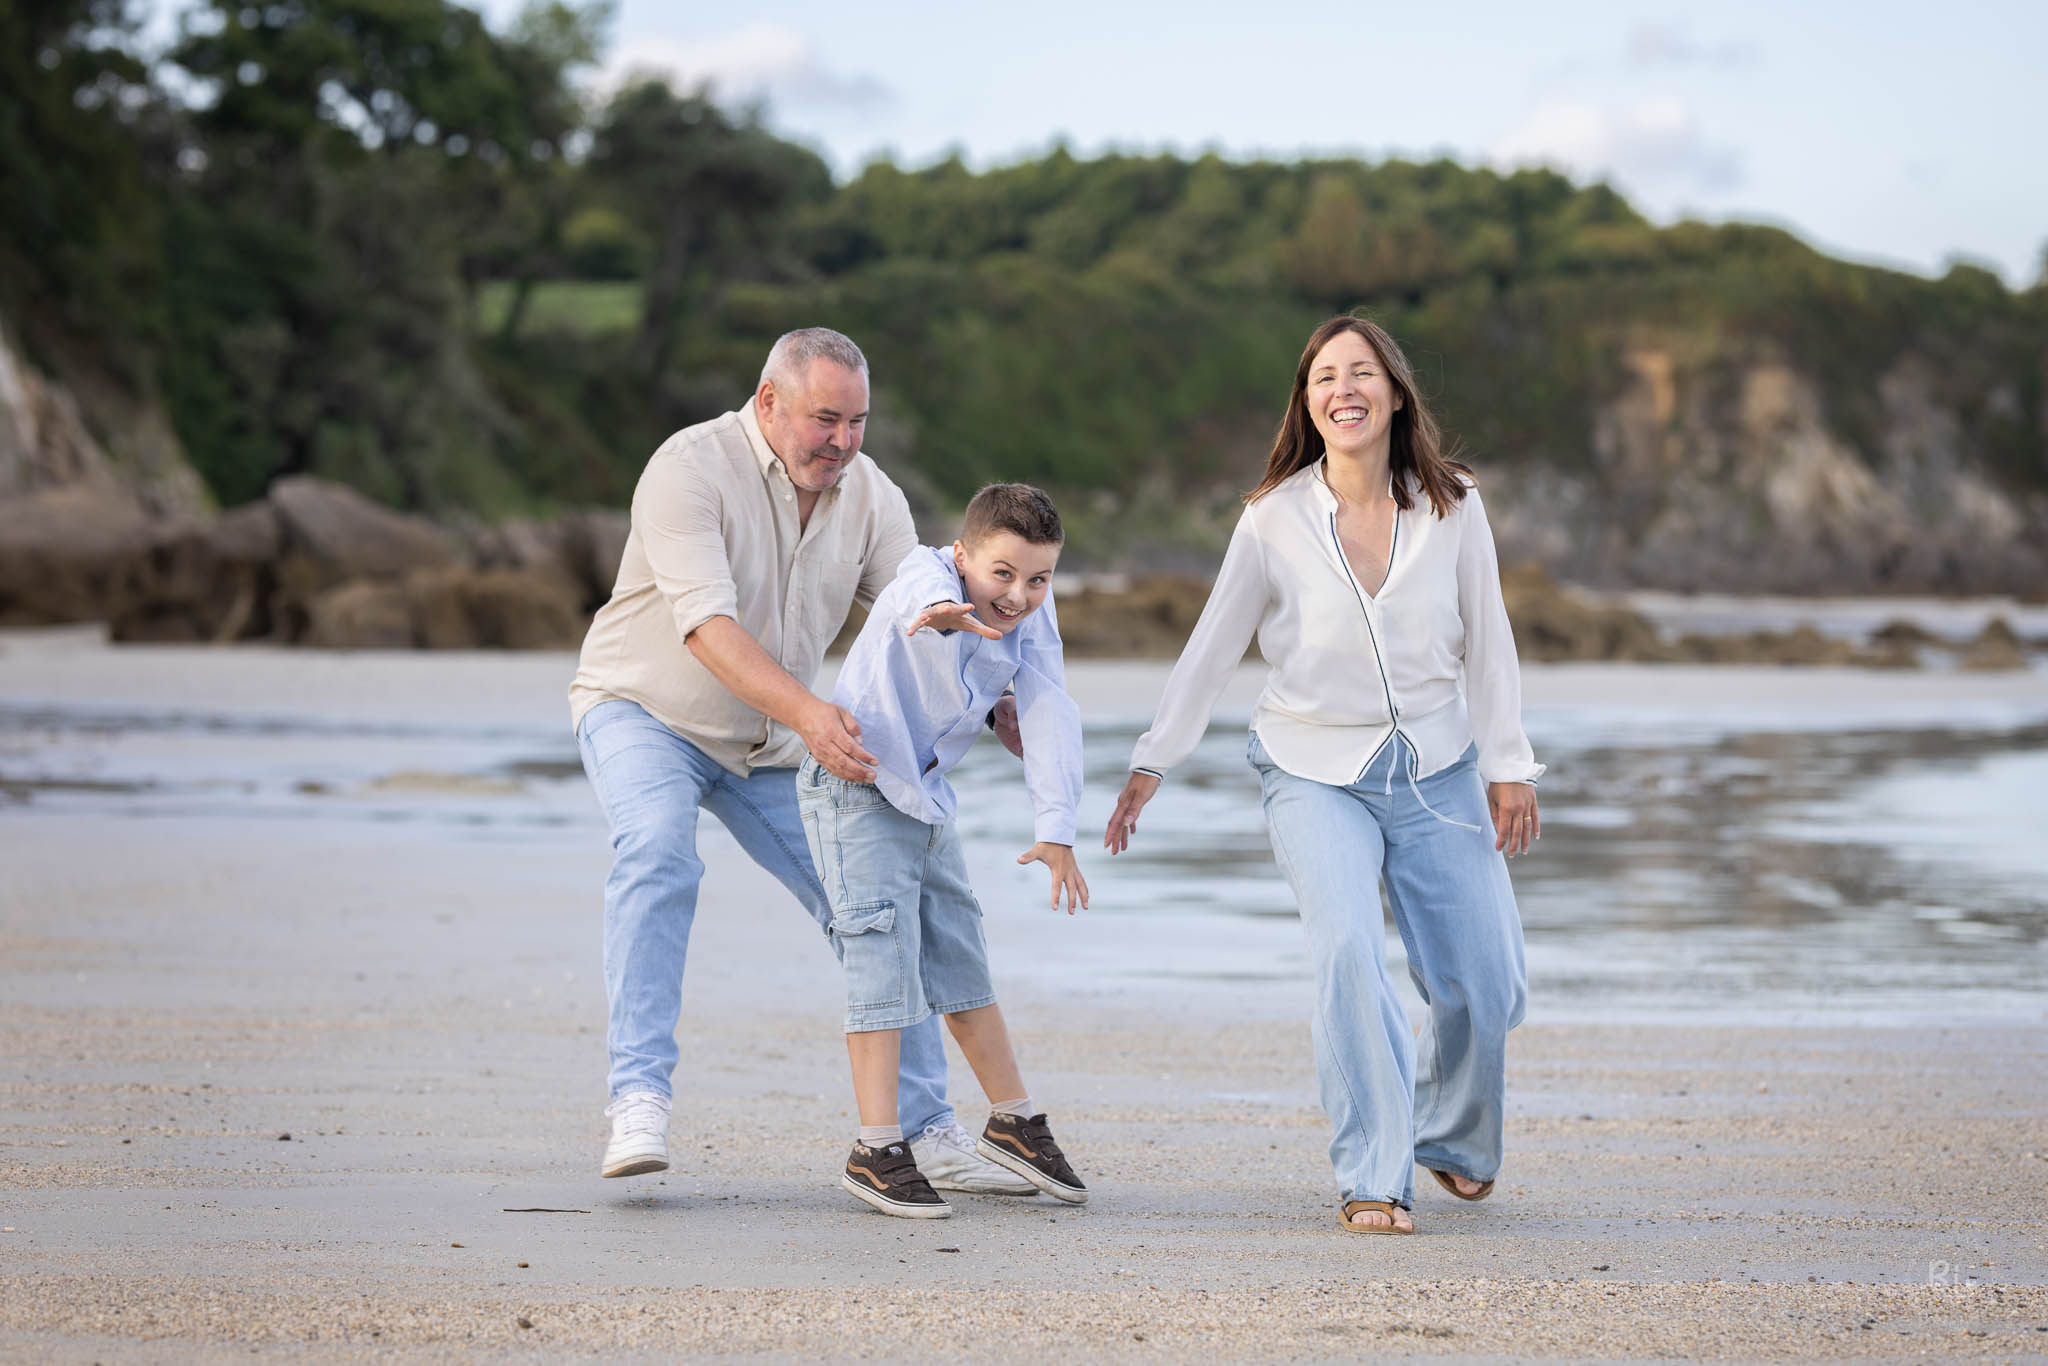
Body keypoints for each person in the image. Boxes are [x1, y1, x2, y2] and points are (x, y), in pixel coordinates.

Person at [1103, 315, 1541, 1235]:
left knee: (1488, 981)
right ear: (1308, 402)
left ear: (1394, 391)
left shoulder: (1455, 504)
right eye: (1323, 377)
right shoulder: (1273, 517)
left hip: (1440, 766)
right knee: (1347, 953)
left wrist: (1510, 766)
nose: (1344, 388)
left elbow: (1490, 643)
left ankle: (1453, 1140)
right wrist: (1154, 759)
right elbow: (1215, 643)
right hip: (1310, 768)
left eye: (1362, 372)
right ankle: (1374, 1174)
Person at [568, 328, 1033, 1196]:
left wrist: (1000, 691)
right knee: (659, 854)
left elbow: (927, 610)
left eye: (857, 422)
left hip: (776, 742)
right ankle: (637, 1098)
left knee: (878, 902)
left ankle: (929, 1130)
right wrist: (815, 715)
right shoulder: (688, 468)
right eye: (827, 419)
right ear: (769, 400)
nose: (844, 441)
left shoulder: (872, 496)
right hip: (644, 711)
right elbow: (707, 628)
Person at [801, 483, 1090, 1218]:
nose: (1019, 595)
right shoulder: (927, 578)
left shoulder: (1029, 616)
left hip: (925, 799)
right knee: (882, 963)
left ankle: (1014, 1121)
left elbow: (1050, 705)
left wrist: (1056, 827)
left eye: (1038, 578)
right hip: (856, 789)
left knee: (962, 956)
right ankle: (876, 1148)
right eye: (1002, 573)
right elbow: (915, 597)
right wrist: (938, 614)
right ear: (964, 556)